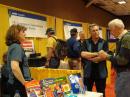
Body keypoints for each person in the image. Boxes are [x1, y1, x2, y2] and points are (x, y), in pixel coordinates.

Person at [98, 19, 130, 97]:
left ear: (116, 28)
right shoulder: (124, 37)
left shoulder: (126, 38)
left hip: (125, 73)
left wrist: (106, 56)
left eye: (111, 30)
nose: (111, 33)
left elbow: (122, 60)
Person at [81, 24, 108, 97]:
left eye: (97, 30)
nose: (96, 32)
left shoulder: (104, 42)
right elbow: (83, 54)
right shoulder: (85, 42)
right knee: (86, 93)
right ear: (90, 32)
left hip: (101, 72)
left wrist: (90, 57)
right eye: (93, 31)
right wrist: (97, 53)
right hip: (88, 73)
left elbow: (104, 56)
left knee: (101, 93)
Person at [5, 24, 32, 97]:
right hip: (18, 85)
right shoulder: (16, 47)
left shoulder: (14, 46)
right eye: (23, 32)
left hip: (15, 84)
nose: (25, 34)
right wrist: (24, 83)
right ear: (16, 34)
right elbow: (15, 68)